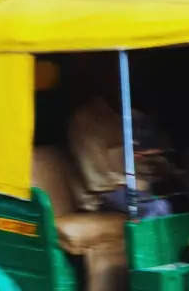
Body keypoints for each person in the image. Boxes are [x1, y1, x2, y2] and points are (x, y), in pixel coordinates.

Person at [68, 82, 175, 220]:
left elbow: (134, 156)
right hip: (102, 194)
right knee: (158, 207)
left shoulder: (126, 115)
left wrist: (156, 164)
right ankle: (144, 241)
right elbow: (96, 179)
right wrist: (131, 181)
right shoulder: (85, 119)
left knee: (178, 201)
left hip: (128, 186)